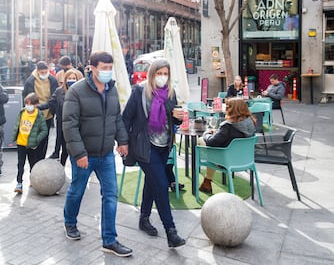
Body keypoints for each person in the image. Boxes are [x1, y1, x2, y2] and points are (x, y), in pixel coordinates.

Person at [62, 51, 132, 257]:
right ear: (92, 68)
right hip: (84, 155)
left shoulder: (112, 89)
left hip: (106, 155)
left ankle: (109, 240)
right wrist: (79, 153)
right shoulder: (76, 91)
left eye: (110, 68)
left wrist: (123, 141)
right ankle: (70, 222)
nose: (107, 72)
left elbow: (116, 118)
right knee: (77, 190)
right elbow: (69, 126)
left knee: (110, 195)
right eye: (104, 68)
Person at [122, 58, 186, 248]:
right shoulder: (139, 91)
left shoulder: (170, 93)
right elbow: (126, 118)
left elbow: (173, 121)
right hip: (144, 146)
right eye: (159, 73)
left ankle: (144, 218)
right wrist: (123, 143)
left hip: (164, 145)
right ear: (152, 74)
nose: (162, 77)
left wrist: (177, 119)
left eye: (165, 74)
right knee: (161, 183)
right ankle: (171, 232)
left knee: (152, 181)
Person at [198, 98, 256, 194]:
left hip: (226, 160)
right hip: (245, 159)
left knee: (202, 141)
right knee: (213, 149)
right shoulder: (251, 122)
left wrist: (206, 133)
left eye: (227, 107)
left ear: (232, 109)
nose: (225, 108)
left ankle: (207, 180)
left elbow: (211, 143)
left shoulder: (228, 126)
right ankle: (206, 182)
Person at [12, 92, 48, 194]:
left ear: (36, 104)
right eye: (27, 103)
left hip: (32, 144)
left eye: (30, 104)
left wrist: (36, 139)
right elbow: (17, 125)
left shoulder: (39, 115)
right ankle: (19, 183)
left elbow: (44, 130)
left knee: (33, 163)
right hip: (21, 143)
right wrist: (15, 135)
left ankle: (33, 179)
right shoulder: (22, 112)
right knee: (20, 164)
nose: (28, 106)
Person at [22, 61, 58, 159]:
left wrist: (50, 108)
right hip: (34, 113)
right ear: (37, 71)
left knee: (44, 137)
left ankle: (41, 157)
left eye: (45, 72)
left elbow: (54, 96)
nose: (44, 74)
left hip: (48, 113)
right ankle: (34, 159)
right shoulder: (30, 81)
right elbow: (25, 96)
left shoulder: (52, 80)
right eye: (42, 72)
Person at [47, 69, 83, 162]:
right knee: (64, 146)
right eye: (69, 78)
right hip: (62, 122)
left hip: (78, 124)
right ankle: (62, 163)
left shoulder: (82, 92)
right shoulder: (59, 91)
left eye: (74, 78)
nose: (71, 80)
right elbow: (51, 102)